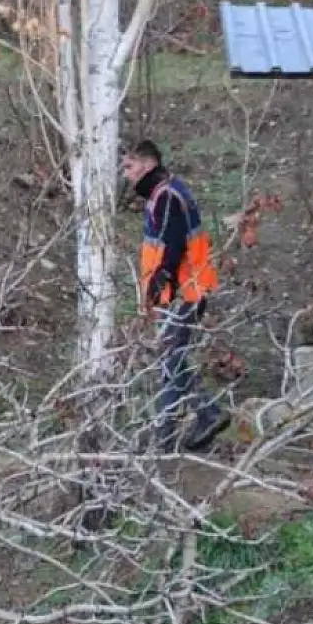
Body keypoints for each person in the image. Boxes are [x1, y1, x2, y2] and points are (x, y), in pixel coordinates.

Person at [122, 139, 230, 454]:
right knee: (173, 358)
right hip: (184, 290)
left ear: (147, 164)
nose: (126, 175)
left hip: (183, 292)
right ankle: (206, 413)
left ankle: (165, 438)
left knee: (170, 361)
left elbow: (169, 252)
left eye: (129, 167)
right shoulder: (167, 192)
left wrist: (155, 295)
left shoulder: (167, 196)